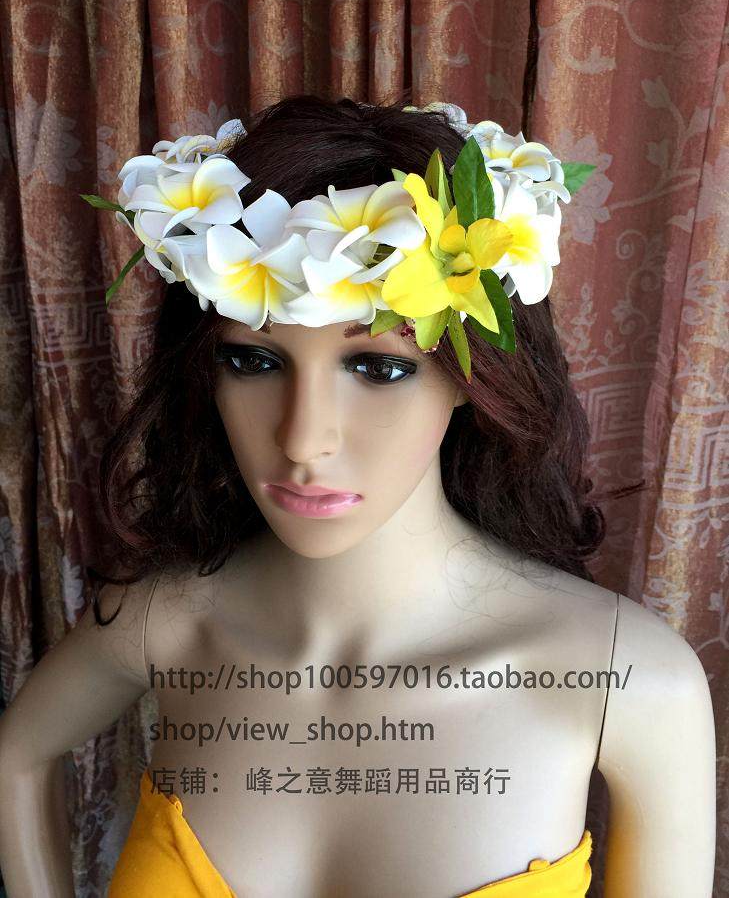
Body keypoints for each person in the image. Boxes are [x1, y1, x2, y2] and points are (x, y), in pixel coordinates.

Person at [0, 95, 716, 897]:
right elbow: (17, 755)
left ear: (472, 378)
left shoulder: (624, 677)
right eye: (253, 361)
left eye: (378, 366)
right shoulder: (164, 621)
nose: (303, 439)